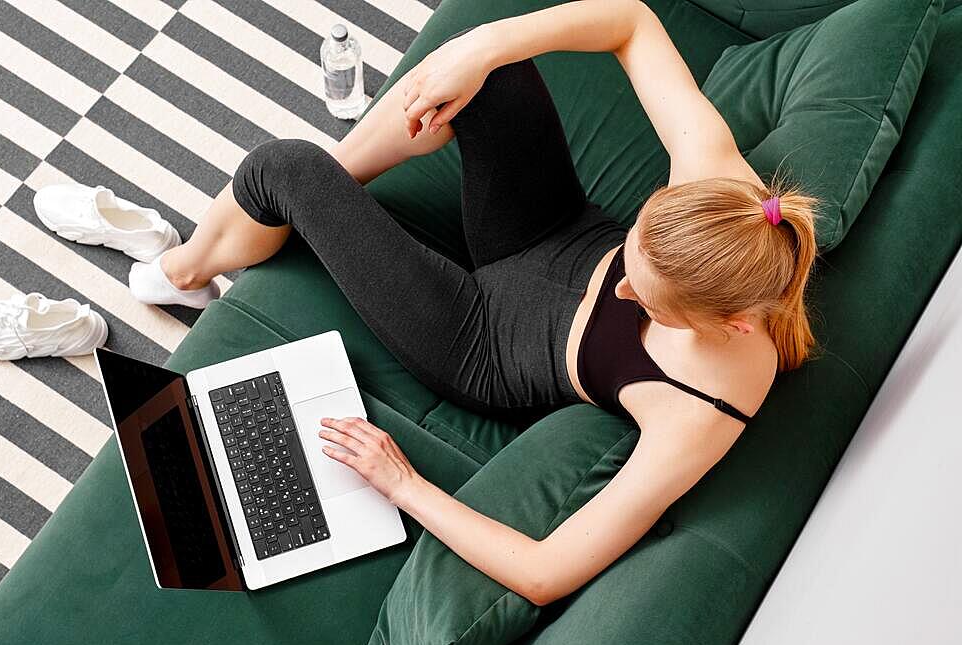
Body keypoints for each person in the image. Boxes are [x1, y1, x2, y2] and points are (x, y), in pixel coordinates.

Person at [129, 0, 820, 605]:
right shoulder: (725, 197)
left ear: (727, 323)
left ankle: (186, 269)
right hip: (549, 228)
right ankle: (308, 205)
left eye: (649, 303)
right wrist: (483, 44)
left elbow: (547, 570)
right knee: (483, 77)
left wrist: (404, 485)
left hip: (479, 338)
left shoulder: (702, 406)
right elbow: (631, 21)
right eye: (633, 257)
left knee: (282, 167)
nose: (622, 288)